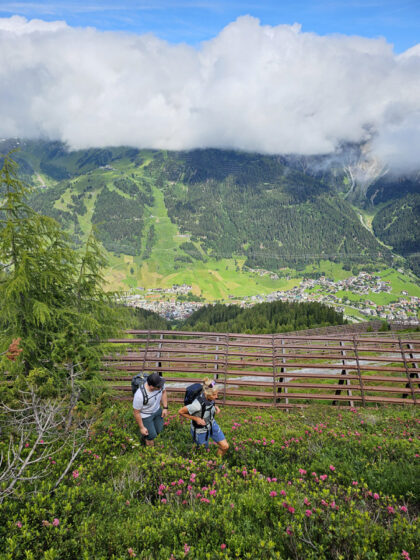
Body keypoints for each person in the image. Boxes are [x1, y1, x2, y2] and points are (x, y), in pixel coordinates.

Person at [178, 378, 229, 457]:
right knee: (203, 454)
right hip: (200, 430)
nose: (216, 397)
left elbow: (210, 402)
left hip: (212, 423)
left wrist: (215, 407)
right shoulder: (196, 405)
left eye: (217, 394)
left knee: (225, 446)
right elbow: (180, 411)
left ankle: (216, 464)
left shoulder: (209, 397)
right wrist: (196, 419)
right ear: (207, 394)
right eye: (214, 395)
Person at [133, 372, 168, 447]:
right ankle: (151, 453)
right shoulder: (139, 395)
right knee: (151, 436)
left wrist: (165, 407)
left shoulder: (159, 383)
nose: (161, 387)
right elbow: (136, 413)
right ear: (151, 387)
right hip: (146, 415)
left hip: (157, 411)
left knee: (158, 430)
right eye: (159, 387)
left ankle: (145, 437)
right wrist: (142, 427)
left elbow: (164, 392)